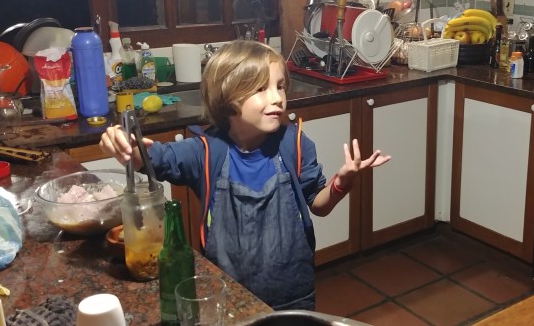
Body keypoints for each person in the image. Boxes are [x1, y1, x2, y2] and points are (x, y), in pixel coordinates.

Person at [100, 40, 391, 309]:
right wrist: (122, 143)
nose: (277, 98)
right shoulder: (204, 152)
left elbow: (319, 205)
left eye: (280, 86)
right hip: (227, 297)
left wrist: (342, 182)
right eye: (261, 89)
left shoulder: (296, 144)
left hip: (294, 295)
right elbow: (151, 158)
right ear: (228, 96)